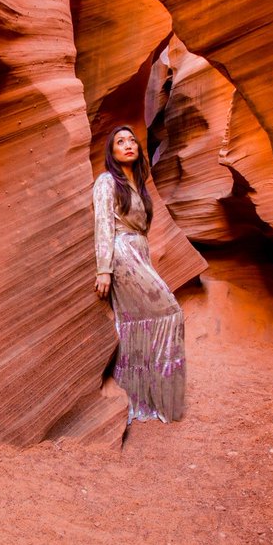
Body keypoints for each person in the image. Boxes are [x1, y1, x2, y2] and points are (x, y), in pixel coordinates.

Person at [93, 125, 186, 423]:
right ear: (112, 152)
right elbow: (103, 225)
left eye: (132, 140)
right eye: (120, 142)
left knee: (137, 323)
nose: (128, 145)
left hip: (138, 253)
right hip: (121, 255)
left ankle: (145, 397)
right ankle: (142, 395)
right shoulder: (107, 181)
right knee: (170, 312)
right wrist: (104, 270)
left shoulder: (138, 184)